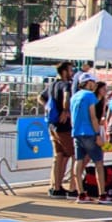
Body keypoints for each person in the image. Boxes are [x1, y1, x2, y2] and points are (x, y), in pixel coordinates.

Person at [70, 73, 111, 204]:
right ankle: (102, 194)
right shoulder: (89, 96)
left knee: (79, 161)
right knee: (99, 163)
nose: (94, 84)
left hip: (77, 132)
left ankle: (80, 193)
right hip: (89, 132)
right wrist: (98, 134)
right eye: (93, 82)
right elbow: (93, 116)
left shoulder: (74, 96)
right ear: (88, 82)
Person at [39, 61, 76, 197]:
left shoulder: (52, 85)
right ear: (65, 71)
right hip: (64, 126)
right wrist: (65, 110)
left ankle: (55, 186)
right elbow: (66, 97)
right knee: (75, 155)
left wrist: (49, 108)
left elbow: (40, 97)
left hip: (52, 124)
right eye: (71, 70)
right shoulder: (66, 85)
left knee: (59, 155)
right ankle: (73, 187)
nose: (72, 73)